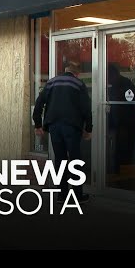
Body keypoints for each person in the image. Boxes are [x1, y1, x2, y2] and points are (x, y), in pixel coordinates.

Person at [33, 60, 92, 204]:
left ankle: (62, 195)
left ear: (65, 70)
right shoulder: (78, 84)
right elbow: (86, 108)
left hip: (54, 127)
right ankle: (77, 195)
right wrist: (88, 128)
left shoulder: (51, 83)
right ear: (76, 73)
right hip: (71, 127)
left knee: (60, 161)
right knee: (75, 160)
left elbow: (39, 102)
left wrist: (37, 124)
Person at [107, 63, 135, 173]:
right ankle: (120, 169)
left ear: (113, 74)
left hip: (129, 123)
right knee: (122, 147)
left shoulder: (125, 84)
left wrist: (116, 123)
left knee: (125, 147)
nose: (106, 79)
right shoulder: (116, 85)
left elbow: (126, 106)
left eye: (107, 76)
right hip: (124, 123)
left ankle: (123, 170)